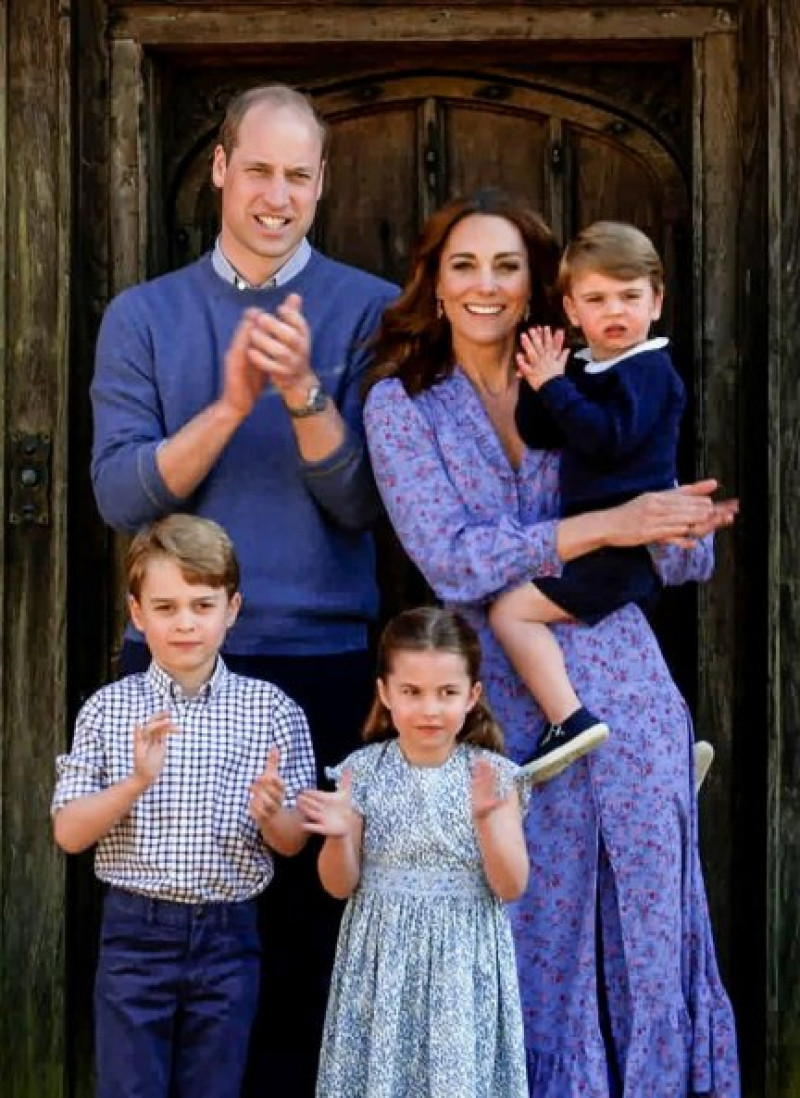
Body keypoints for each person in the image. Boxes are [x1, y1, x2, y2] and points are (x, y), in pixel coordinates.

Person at [363, 189, 740, 1096]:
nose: (486, 285)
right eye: (464, 266)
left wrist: (680, 527)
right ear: (436, 284)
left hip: (626, 683)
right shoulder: (402, 405)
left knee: (649, 929)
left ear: (539, 287)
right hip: (500, 706)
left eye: (506, 266)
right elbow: (453, 564)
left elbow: (680, 557)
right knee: (530, 924)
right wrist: (606, 527)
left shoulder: (595, 374)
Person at [90, 84, 397, 1095]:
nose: (276, 194)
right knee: (184, 930)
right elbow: (118, 492)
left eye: (297, 175)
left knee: (310, 932)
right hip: (179, 665)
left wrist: (304, 393)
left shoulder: (369, 311)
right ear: (219, 167)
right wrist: (227, 406)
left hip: (319, 661)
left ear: (321, 185)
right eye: (257, 169)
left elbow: (364, 506)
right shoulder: (144, 316)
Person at [51, 514, 316, 1098]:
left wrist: (274, 814)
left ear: (233, 608)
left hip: (229, 934)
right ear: (137, 613)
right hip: (135, 933)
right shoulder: (108, 710)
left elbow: (294, 841)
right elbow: (69, 834)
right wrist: (134, 783)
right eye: (166, 607)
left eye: (202, 604)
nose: (186, 623)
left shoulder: (271, 710)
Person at [298, 607, 530, 1098]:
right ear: (385, 693)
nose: (429, 710)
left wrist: (487, 819)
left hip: (462, 962)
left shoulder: (493, 776)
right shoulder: (362, 771)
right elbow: (338, 885)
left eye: (447, 693)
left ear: (473, 696)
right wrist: (339, 835)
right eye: (412, 692)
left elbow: (511, 886)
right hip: (382, 960)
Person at [488, 221, 686, 782]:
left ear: (657, 301)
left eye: (629, 296)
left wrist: (557, 386)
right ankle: (662, 754)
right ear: (573, 311)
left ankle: (568, 720)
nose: (615, 311)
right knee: (613, 654)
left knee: (511, 611)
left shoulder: (649, 370)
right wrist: (540, 379)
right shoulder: (589, 368)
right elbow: (542, 431)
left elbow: (606, 437)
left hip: (622, 550)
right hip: (597, 542)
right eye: (597, 299)